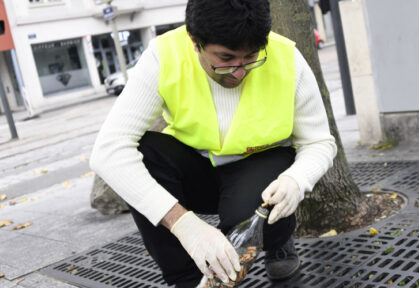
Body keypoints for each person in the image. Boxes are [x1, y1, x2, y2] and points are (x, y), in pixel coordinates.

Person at [89, 0, 336, 287]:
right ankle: (189, 278)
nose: (239, 71)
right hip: (198, 169)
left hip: (261, 171)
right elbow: (107, 151)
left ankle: (278, 241)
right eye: (226, 58)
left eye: (251, 57)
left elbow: (319, 141)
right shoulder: (164, 55)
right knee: (142, 154)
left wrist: (297, 179)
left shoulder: (287, 59)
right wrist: (184, 225)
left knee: (257, 215)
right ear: (195, 42)